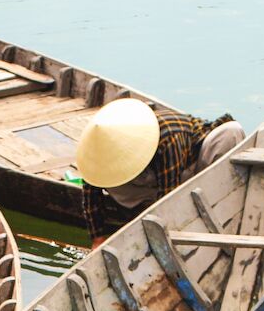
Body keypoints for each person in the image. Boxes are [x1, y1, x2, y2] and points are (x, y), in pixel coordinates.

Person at [76, 98, 244, 247]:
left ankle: (221, 203)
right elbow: (91, 192)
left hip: (190, 168)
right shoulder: (95, 148)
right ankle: (144, 209)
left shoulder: (168, 136)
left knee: (231, 131)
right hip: (149, 181)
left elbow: (168, 197)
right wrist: (97, 238)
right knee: (104, 179)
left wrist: (166, 237)